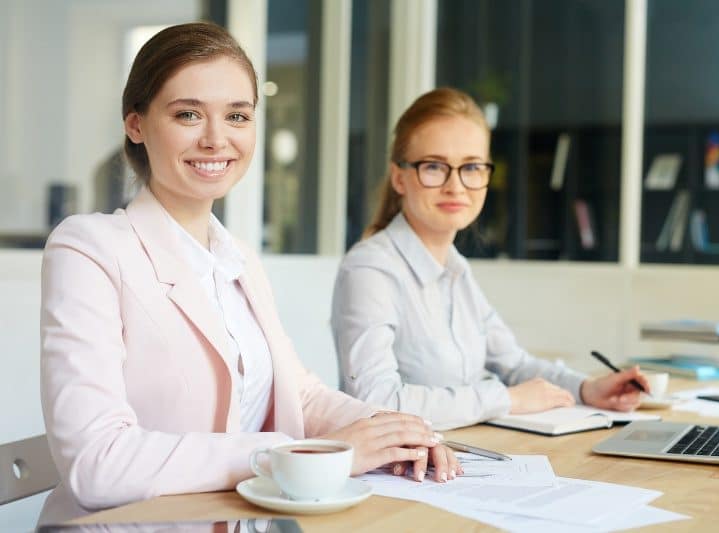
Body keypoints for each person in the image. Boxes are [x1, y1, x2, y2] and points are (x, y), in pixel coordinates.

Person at [39, 23, 458, 524]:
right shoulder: (88, 248)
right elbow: (96, 462)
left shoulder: (235, 258)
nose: (217, 139)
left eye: (237, 115)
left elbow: (298, 391)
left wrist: (392, 430)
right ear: (136, 124)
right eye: (189, 114)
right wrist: (298, 452)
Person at [331, 87, 650, 430]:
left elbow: (514, 364)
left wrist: (586, 387)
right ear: (399, 178)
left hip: (467, 456)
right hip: (397, 472)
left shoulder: (455, 269)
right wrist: (506, 399)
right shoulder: (370, 269)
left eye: (471, 167)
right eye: (435, 167)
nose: (456, 186)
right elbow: (376, 402)